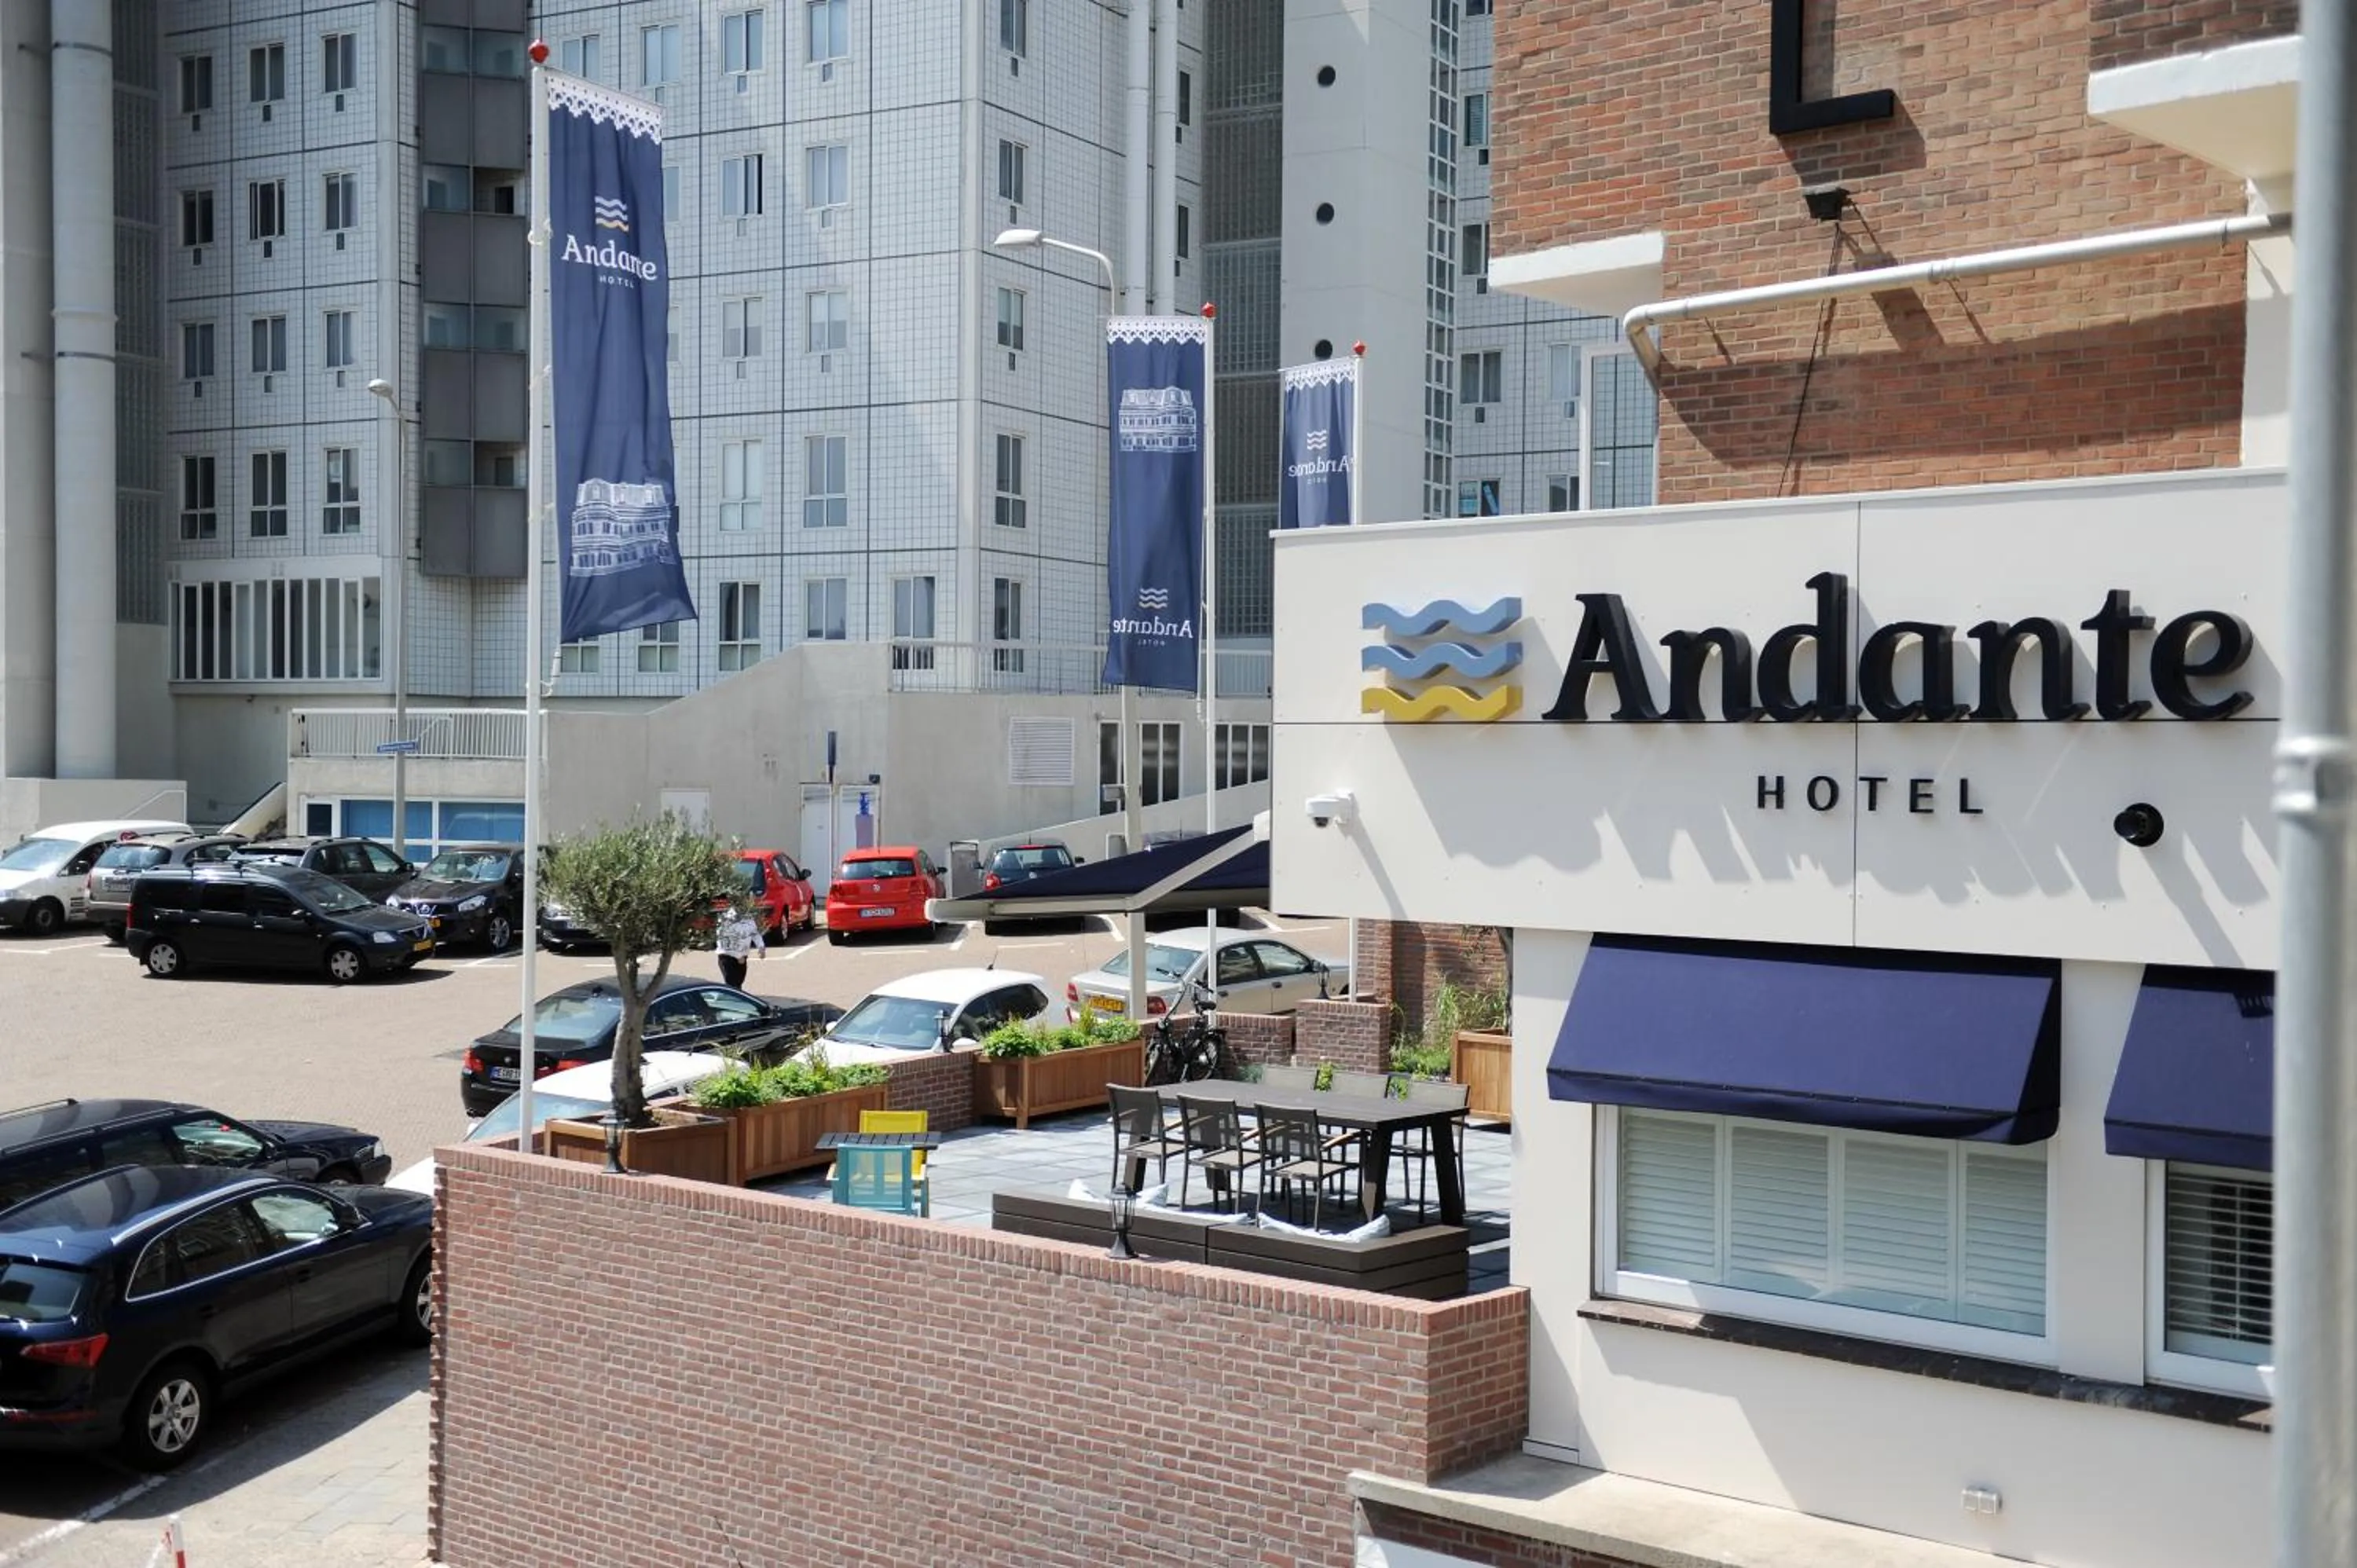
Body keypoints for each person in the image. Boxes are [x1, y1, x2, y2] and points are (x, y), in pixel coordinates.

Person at [717, 902, 764, 989]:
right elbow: (725, 940)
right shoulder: (727, 919)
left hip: (742, 957)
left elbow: (755, 933)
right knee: (732, 985)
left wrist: (761, 947)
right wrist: (738, 955)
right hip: (727, 957)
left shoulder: (749, 918)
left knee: (739, 983)